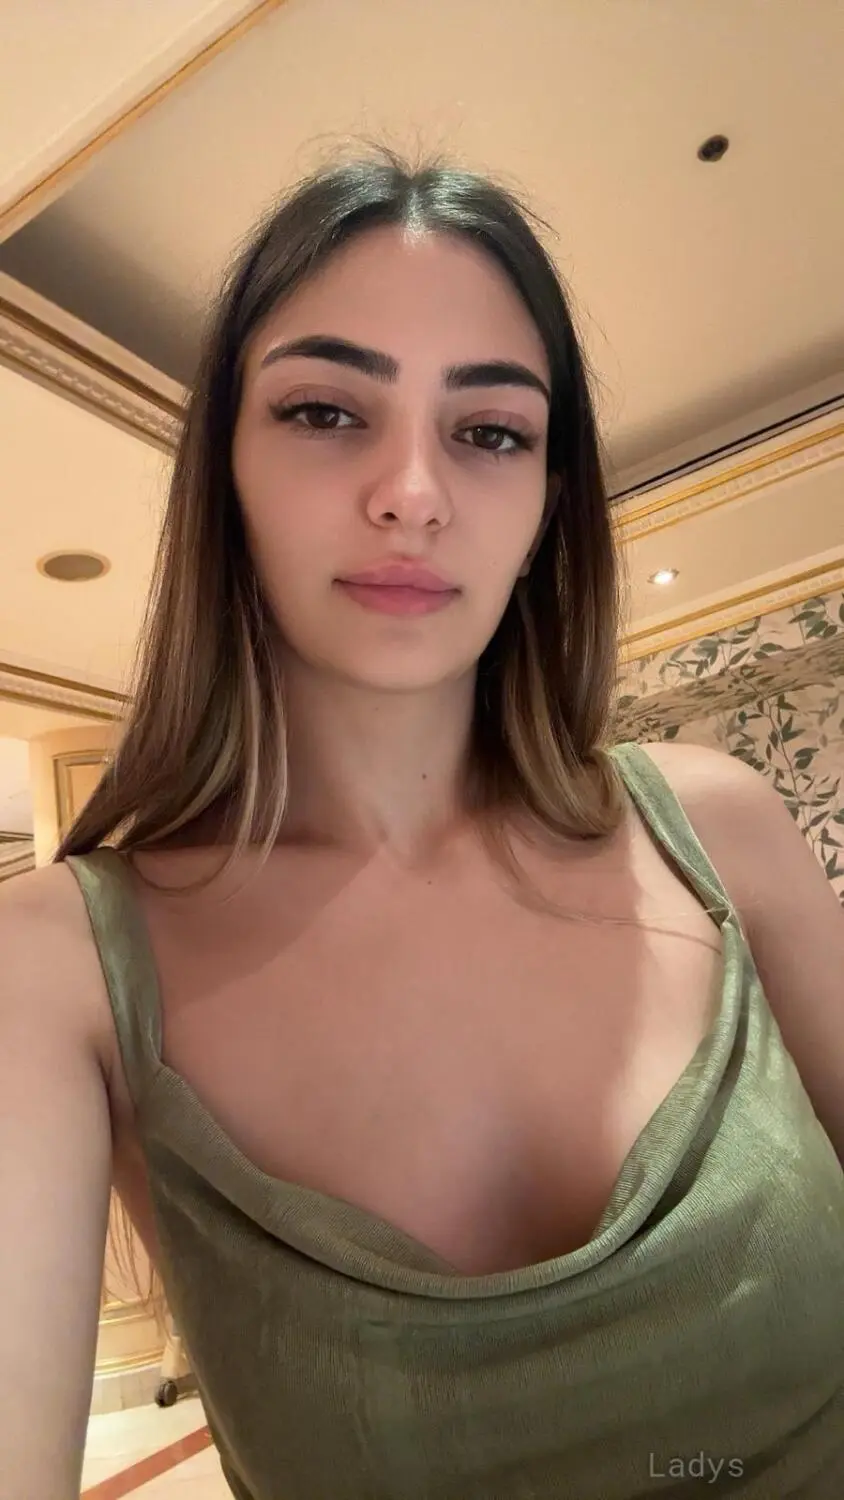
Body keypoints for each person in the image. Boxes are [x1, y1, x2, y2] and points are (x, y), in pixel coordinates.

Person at [2, 153, 843, 1500]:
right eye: (326, 411)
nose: (412, 490)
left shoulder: (720, 833)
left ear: (549, 502)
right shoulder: (57, 973)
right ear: (224, 474)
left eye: (491, 431)